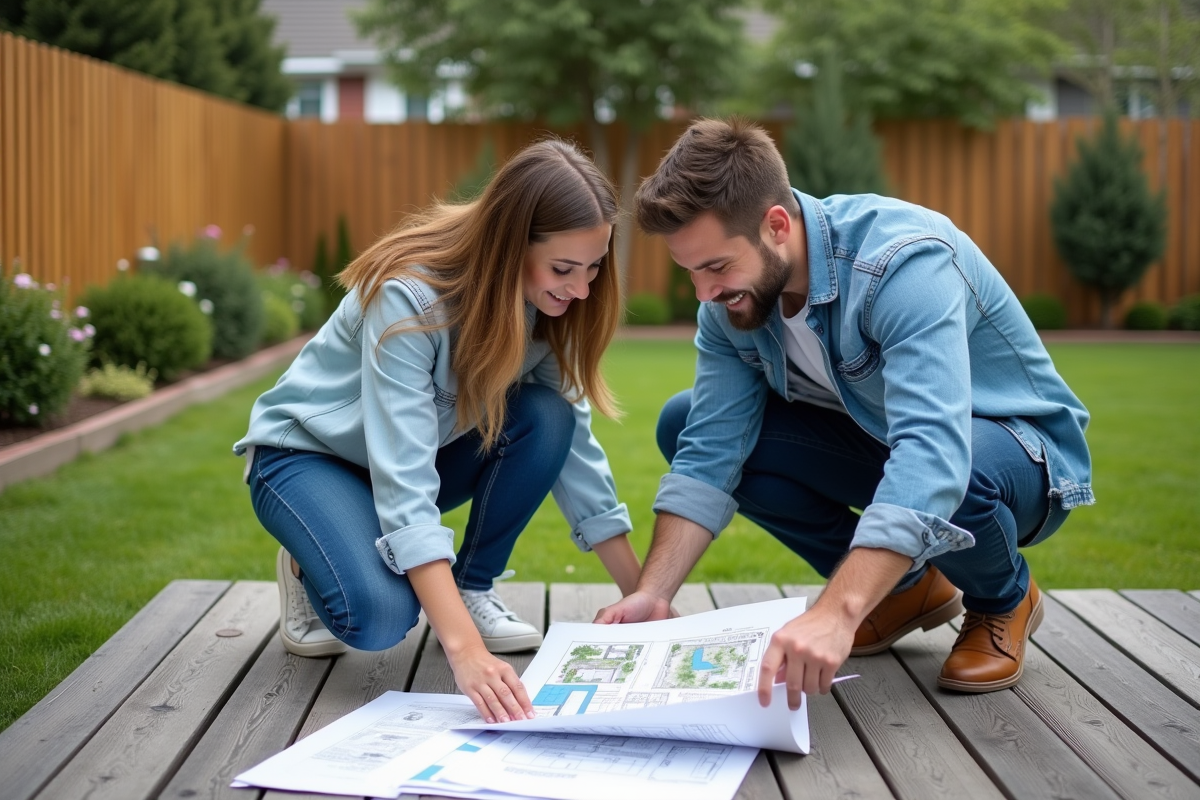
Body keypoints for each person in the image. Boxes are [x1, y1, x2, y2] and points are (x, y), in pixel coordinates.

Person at [596, 118, 1093, 707]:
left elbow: (933, 453)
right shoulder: (731, 308)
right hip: (889, 442)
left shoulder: (904, 264)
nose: (704, 294)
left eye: (717, 267)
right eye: (691, 272)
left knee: (953, 473)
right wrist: (653, 593)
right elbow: (709, 450)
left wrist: (836, 612)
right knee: (681, 422)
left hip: (1021, 456)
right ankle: (905, 588)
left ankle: (1002, 598)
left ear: (776, 226)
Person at [234, 139, 642, 724]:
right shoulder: (409, 298)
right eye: (563, 269)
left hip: (408, 459)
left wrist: (643, 596)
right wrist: (465, 653)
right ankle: (306, 557)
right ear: (510, 245)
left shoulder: (545, 307)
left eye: (594, 267)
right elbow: (403, 482)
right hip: (306, 460)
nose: (581, 290)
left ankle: (472, 586)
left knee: (547, 415)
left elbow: (571, 448)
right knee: (377, 619)